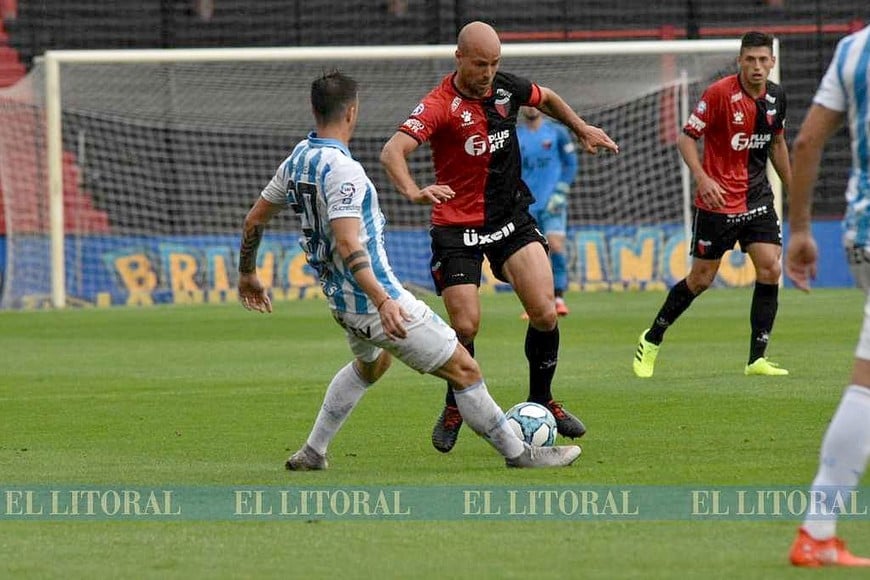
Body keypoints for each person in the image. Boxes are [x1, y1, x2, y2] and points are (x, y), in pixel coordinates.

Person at [237, 70, 582, 471]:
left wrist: (247, 272)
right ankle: (521, 454)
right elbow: (349, 243)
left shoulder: (298, 159)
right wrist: (384, 302)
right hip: (375, 300)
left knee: (372, 366)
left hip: (340, 301)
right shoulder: (345, 172)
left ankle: (313, 452)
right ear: (352, 112)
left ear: (314, 110)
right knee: (465, 369)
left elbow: (254, 220)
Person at [380, 21, 618, 453]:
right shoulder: (439, 104)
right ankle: (454, 404)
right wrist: (413, 191)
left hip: (510, 217)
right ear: (459, 58)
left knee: (544, 311)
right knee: (466, 324)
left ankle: (542, 399)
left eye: (494, 63)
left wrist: (580, 127)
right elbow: (392, 151)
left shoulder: (506, 88)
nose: (488, 73)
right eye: (479, 64)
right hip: (457, 225)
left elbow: (547, 98)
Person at [633, 31, 793, 378]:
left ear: (772, 62)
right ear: (739, 61)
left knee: (770, 268)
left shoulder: (776, 97)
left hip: (757, 198)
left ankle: (756, 359)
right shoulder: (719, 94)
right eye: (750, 59)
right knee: (701, 279)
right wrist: (702, 178)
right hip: (718, 202)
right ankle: (652, 337)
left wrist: (794, 188)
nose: (757, 66)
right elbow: (686, 139)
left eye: (763, 60)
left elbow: (777, 143)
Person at [784, 25, 870, 568]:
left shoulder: (853, 49)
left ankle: (818, 531)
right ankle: (817, 528)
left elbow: (807, 141)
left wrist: (799, 230)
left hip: (861, 235)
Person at [517, 106, 579, 317]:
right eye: (526, 104)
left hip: (553, 202)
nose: (531, 107)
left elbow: (570, 164)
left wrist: (561, 191)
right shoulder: (516, 135)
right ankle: (534, 303)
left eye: (534, 103)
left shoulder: (557, 132)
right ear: (521, 107)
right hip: (527, 205)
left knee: (555, 245)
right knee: (531, 255)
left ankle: (559, 298)